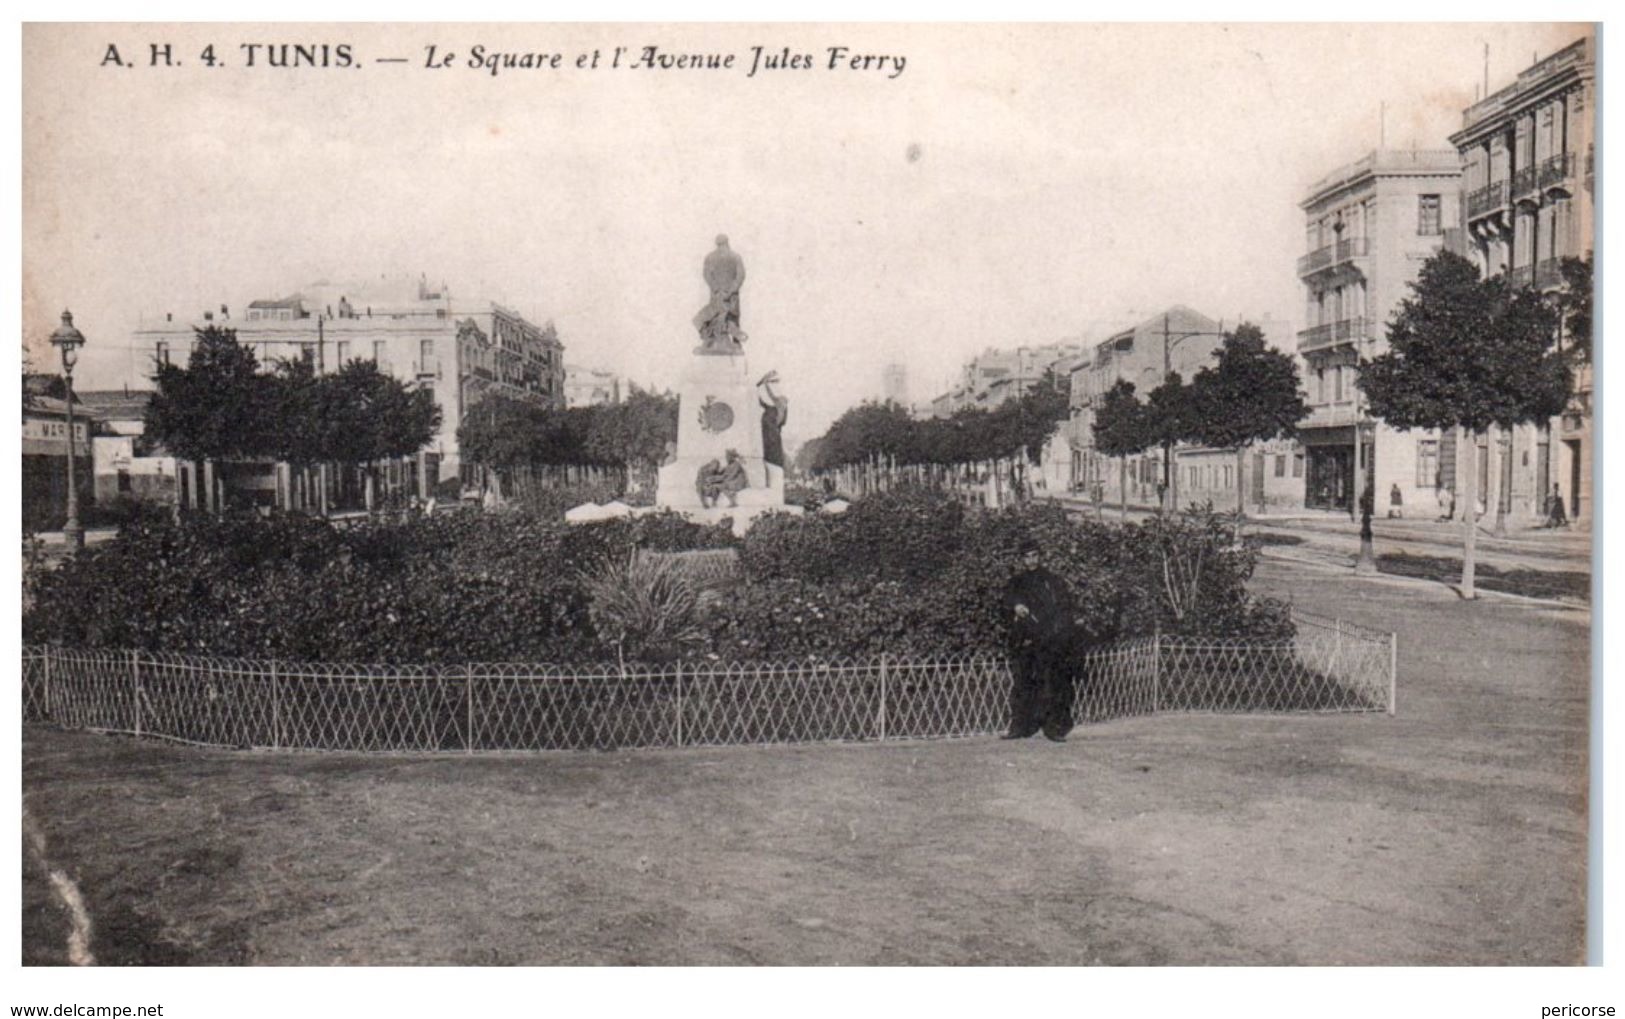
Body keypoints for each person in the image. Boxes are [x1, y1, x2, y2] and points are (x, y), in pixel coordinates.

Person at [999, 538, 1077, 742]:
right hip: (1024, 639)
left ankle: (1053, 728)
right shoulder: (1016, 581)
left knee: (1050, 683)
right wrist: (1016, 606)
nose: (1031, 560)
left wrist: (1055, 631)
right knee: (1022, 683)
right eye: (1027, 557)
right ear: (1021, 559)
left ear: (1040, 556)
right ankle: (1020, 727)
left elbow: (1064, 607)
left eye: (1035, 556)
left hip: (1047, 639)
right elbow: (1006, 602)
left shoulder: (1052, 581)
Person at [692, 235, 747, 352]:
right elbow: (740, 276)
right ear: (727, 242)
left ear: (716, 244)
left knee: (715, 315)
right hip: (731, 296)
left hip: (716, 295)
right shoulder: (735, 256)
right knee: (732, 317)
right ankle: (736, 343)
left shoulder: (710, 257)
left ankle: (709, 341)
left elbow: (707, 275)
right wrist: (731, 290)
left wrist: (716, 288)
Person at [757, 371, 789, 483]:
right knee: (772, 450)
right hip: (773, 428)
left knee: (771, 449)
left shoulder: (777, 405)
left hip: (771, 427)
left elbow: (770, 396)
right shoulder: (780, 406)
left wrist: (764, 383)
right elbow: (768, 399)